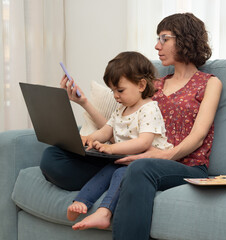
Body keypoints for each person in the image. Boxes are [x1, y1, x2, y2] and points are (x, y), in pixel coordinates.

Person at [40, 12, 222, 239]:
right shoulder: (153, 85)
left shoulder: (210, 83)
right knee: (53, 156)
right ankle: (111, 183)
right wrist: (83, 103)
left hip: (183, 165)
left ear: (186, 39)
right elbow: (118, 125)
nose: (157, 46)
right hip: (134, 157)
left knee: (138, 169)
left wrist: (159, 156)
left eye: (164, 39)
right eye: (158, 39)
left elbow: (198, 136)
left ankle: (116, 185)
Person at [65, 51, 173, 230]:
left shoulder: (149, 109)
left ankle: (104, 212)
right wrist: (89, 138)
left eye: (120, 90)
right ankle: (81, 202)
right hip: (124, 159)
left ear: (141, 85)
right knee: (105, 172)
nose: (115, 96)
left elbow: (143, 143)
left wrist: (111, 149)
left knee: (119, 174)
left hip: (145, 161)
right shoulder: (120, 110)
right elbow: (106, 132)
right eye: (113, 90)